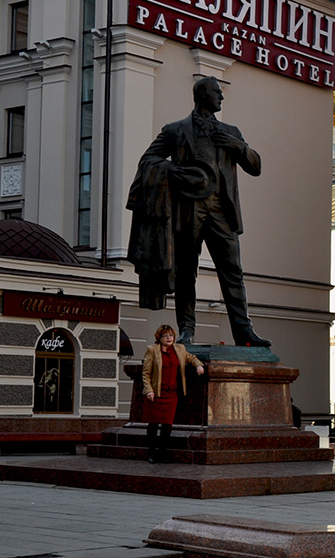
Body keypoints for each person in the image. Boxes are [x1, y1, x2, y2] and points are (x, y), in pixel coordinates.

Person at [128, 76, 270, 347]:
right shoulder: (175, 130)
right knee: (185, 272)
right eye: (217, 92)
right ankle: (186, 330)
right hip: (188, 209)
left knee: (232, 271)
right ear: (202, 95)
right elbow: (148, 160)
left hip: (222, 211)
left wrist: (236, 145)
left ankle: (243, 331)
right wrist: (176, 171)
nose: (221, 97)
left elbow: (256, 166)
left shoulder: (232, 132)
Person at [141, 324, 205, 463]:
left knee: (167, 425)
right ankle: (151, 453)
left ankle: (163, 453)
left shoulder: (179, 349)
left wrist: (198, 365)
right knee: (153, 425)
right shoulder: (152, 350)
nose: (169, 338)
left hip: (172, 394)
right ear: (160, 337)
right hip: (157, 393)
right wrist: (149, 390)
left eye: (171, 335)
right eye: (165, 336)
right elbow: (146, 373)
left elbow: (191, 358)